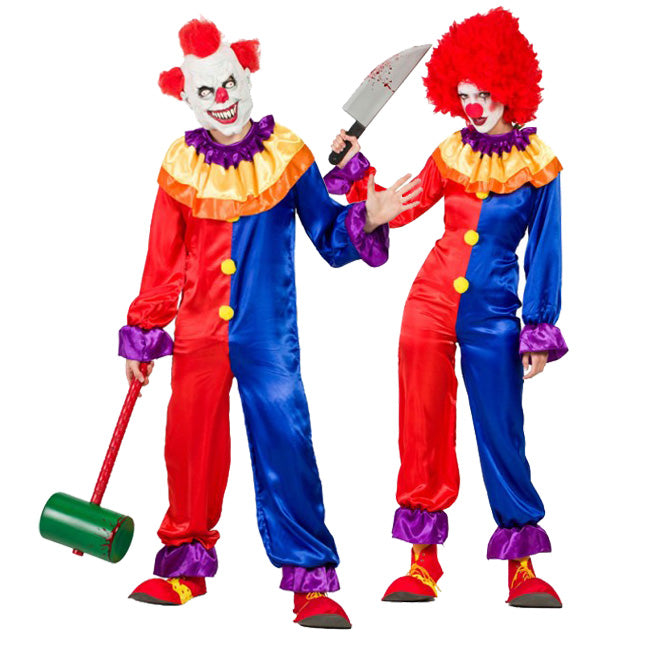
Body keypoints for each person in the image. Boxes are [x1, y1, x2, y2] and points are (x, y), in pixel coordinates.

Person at [119, 18, 420, 628]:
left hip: (268, 335)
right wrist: (144, 332)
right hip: (199, 334)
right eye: (207, 90)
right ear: (189, 95)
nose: (222, 98)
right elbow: (163, 258)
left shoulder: (286, 153)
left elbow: (330, 237)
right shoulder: (180, 163)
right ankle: (184, 565)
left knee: (287, 439)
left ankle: (310, 578)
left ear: (245, 78)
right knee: (189, 443)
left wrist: (369, 213)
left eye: (228, 83)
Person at [328, 8, 567, 608]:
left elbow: (546, 248)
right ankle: (421, 561)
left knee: (501, 429)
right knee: (422, 426)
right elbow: (404, 205)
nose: (473, 106)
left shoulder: (539, 164)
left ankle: (522, 564)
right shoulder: (450, 151)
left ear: (510, 88)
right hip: (430, 301)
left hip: (494, 312)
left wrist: (538, 327)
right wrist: (355, 168)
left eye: (483, 93)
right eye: (463, 95)